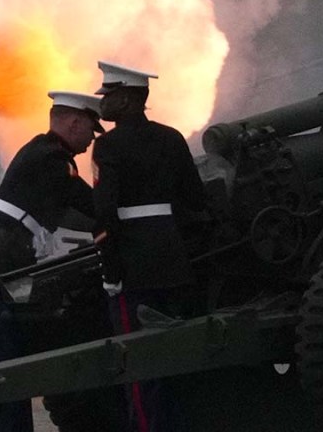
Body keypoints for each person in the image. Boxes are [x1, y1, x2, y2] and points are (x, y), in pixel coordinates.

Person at [0, 90, 104, 432]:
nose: (92, 139)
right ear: (74, 122)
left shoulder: (43, 151)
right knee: (4, 361)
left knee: (9, 353)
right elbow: (89, 206)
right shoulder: (52, 159)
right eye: (90, 130)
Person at [91, 61, 207, 432]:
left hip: (132, 264)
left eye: (109, 96)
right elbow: (195, 199)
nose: (103, 103)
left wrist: (111, 273)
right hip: (172, 260)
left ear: (127, 99)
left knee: (137, 364)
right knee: (171, 358)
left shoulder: (107, 145)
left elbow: (105, 214)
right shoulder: (171, 138)